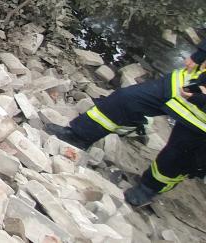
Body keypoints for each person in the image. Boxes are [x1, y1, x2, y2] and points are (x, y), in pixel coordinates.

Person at [46, 34, 206, 207]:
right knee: (127, 99)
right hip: (190, 82)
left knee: (180, 154)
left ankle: (148, 188)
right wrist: (201, 54)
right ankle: (79, 136)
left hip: (201, 118)